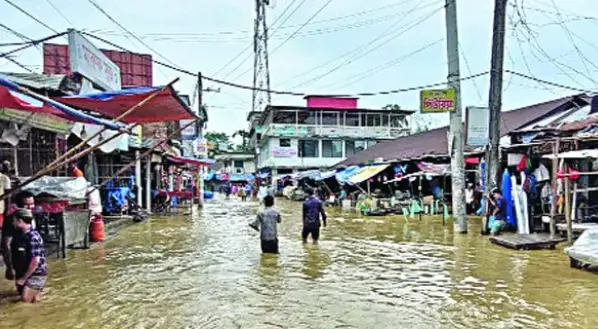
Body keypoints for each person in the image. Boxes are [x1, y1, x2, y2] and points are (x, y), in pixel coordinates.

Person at [11, 209, 47, 303]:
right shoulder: (20, 235)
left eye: (14, 220)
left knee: (25, 302)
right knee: (27, 300)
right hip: (24, 271)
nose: (12, 223)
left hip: (35, 274)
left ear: (20, 221)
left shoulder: (33, 237)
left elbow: (35, 261)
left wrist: (23, 278)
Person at [2, 191, 35, 286]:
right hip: (20, 258)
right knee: (23, 290)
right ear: (17, 206)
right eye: (26, 205)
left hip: (34, 259)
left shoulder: (31, 216)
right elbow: (6, 245)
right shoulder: (12, 221)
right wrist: (9, 267)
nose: (30, 207)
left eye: (32, 204)